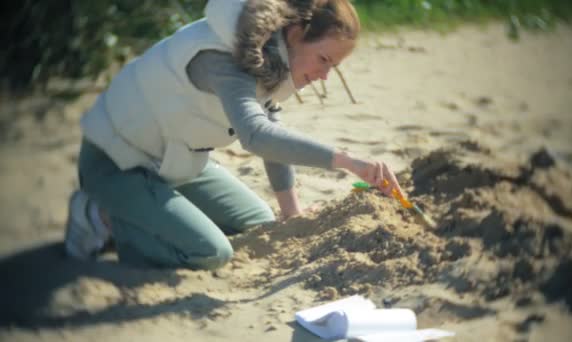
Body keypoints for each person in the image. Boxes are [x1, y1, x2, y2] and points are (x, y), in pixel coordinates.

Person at [65, 0, 406, 269]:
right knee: (211, 252)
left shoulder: (271, 54)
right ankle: (98, 215)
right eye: (324, 60)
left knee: (259, 223)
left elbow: (270, 124)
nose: (324, 75)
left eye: (333, 67)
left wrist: (292, 213)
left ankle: (149, 213)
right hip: (116, 160)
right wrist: (348, 162)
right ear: (297, 33)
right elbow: (256, 136)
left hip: (175, 160)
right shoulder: (226, 56)